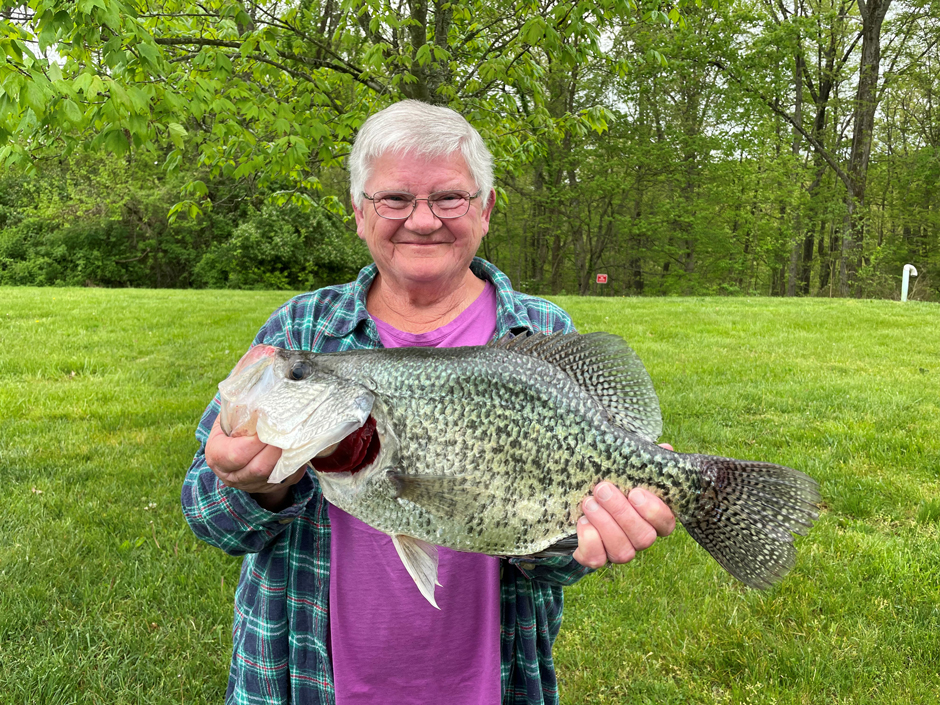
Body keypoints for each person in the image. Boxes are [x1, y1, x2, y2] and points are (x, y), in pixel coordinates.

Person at [182, 100, 676, 705]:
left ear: (486, 209)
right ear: (359, 213)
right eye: (394, 199)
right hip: (308, 679)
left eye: (449, 198)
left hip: (487, 684)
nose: (422, 221)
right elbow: (207, 514)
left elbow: (553, 560)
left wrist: (585, 539)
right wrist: (260, 486)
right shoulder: (303, 331)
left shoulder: (539, 334)